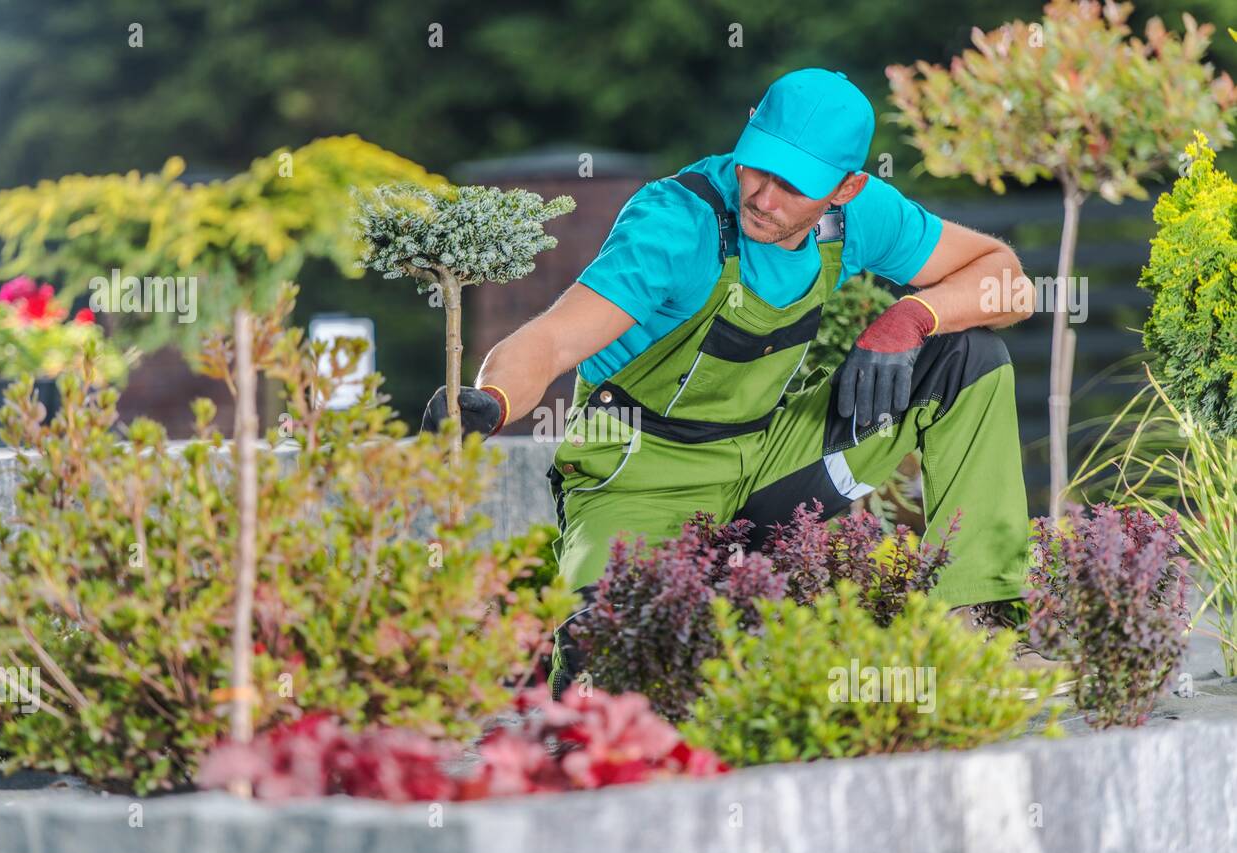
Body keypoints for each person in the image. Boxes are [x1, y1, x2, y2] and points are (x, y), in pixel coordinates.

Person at [420, 68, 1055, 695]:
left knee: (968, 356)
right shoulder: (677, 224)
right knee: (606, 667)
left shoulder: (862, 216)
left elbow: (1008, 281)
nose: (763, 197)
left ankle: (979, 628)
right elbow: (553, 338)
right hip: (640, 471)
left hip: (770, 456)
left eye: (793, 185)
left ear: (847, 188)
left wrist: (912, 317)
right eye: (758, 167)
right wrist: (491, 399)